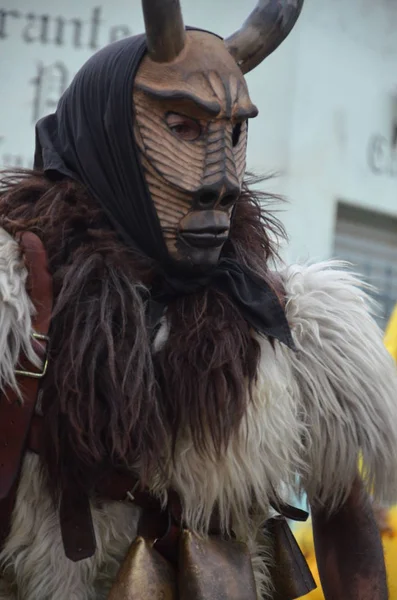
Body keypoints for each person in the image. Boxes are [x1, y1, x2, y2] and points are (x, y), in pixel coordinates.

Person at [0, 1, 396, 599]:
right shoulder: (16, 300)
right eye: (183, 126)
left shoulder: (294, 324)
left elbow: (344, 517)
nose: (222, 177)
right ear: (107, 132)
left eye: (234, 132)